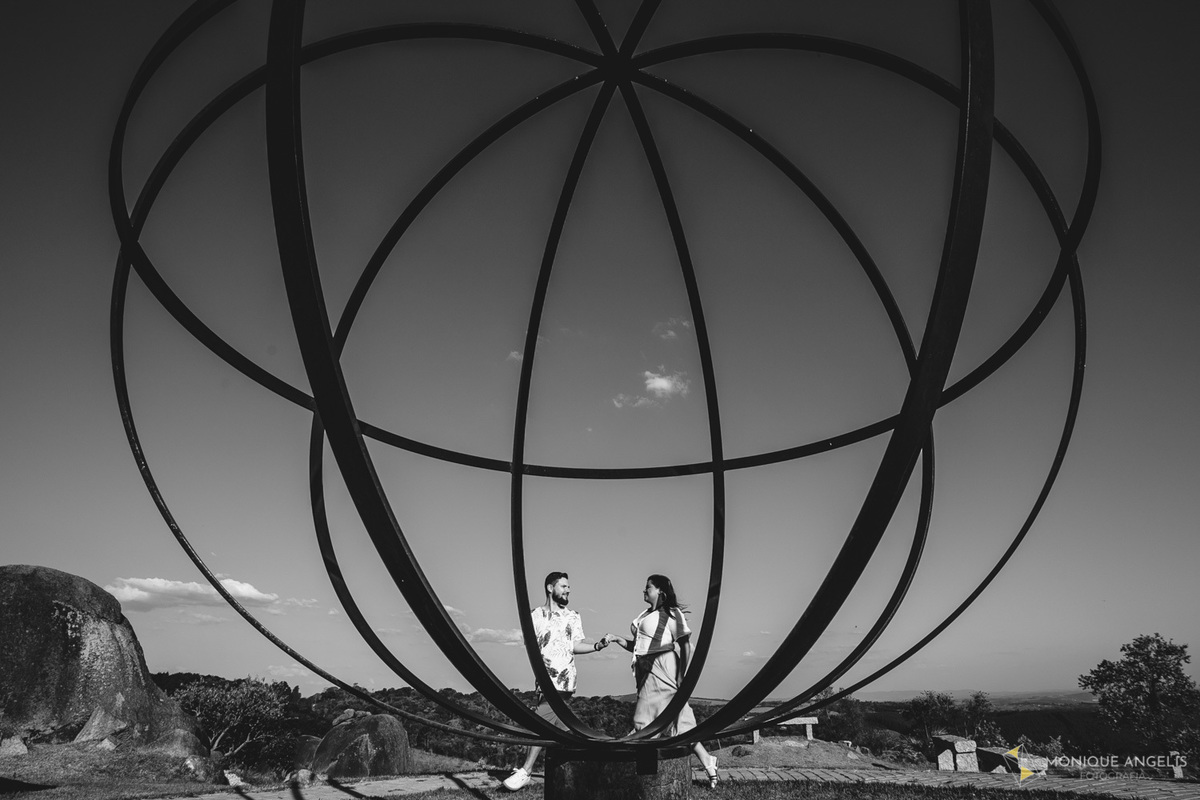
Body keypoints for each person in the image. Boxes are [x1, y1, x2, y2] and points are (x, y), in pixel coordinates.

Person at [604, 574, 719, 788]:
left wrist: (682, 675)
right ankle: (707, 760)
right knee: (677, 718)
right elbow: (639, 646)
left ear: (660, 591)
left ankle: (639, 777)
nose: (644, 590)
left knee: (647, 720)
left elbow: (685, 644)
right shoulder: (644, 614)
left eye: (648, 587)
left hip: (662, 666)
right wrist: (618, 639)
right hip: (645, 668)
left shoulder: (671, 614)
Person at [502, 571, 609, 791]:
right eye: (563, 586)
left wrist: (597, 646)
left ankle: (526, 771)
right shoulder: (535, 615)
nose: (568, 590)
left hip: (564, 681)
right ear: (550, 588)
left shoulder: (574, 616)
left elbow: (575, 646)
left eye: (568, 587)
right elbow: (531, 644)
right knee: (564, 730)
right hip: (544, 680)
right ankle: (602, 756)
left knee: (539, 723)